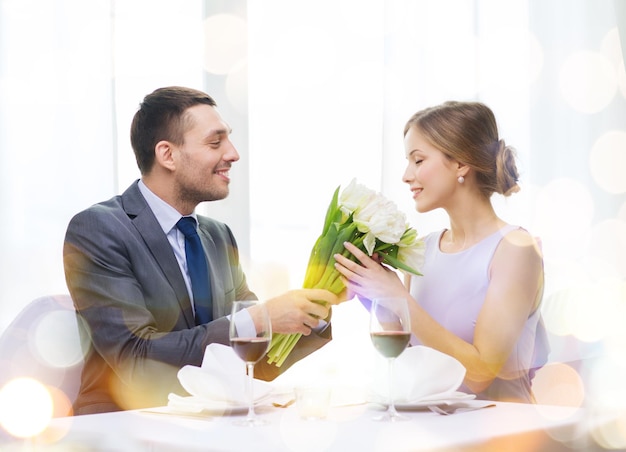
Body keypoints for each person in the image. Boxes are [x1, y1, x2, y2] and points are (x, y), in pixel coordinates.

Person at [63, 86, 341, 415]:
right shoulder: (99, 229)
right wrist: (258, 318)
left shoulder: (218, 237)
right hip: (124, 426)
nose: (234, 153)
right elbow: (135, 359)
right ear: (167, 155)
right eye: (215, 142)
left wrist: (315, 309)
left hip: (209, 425)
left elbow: (254, 366)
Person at [334, 101, 548, 403]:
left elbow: (480, 374)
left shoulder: (515, 249)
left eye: (418, 160)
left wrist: (399, 298)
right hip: (438, 432)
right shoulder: (423, 249)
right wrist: (376, 295)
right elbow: (413, 362)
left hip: (504, 435)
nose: (407, 175)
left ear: (461, 164)